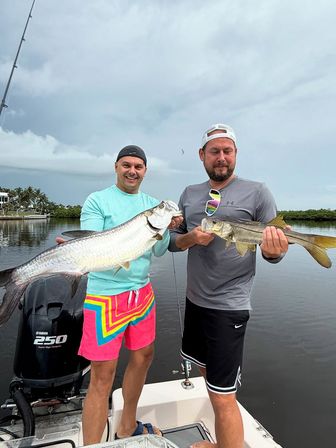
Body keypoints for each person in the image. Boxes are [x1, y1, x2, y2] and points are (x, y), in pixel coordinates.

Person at [169, 124, 289, 448]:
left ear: (235, 154)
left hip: (228, 309)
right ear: (201, 155)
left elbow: (272, 250)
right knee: (209, 380)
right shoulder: (189, 195)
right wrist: (189, 237)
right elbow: (172, 242)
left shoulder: (258, 192)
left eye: (227, 151)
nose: (221, 158)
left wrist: (274, 251)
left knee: (223, 397)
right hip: (195, 302)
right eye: (214, 151)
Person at [77, 145, 182, 445]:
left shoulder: (152, 205)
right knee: (102, 375)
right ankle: (92, 445)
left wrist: (166, 228)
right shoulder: (97, 201)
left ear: (145, 171)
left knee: (143, 357)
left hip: (142, 295)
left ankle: (126, 426)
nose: (132, 171)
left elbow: (160, 250)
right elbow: (95, 247)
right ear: (116, 167)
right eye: (126, 165)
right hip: (104, 298)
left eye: (138, 166)